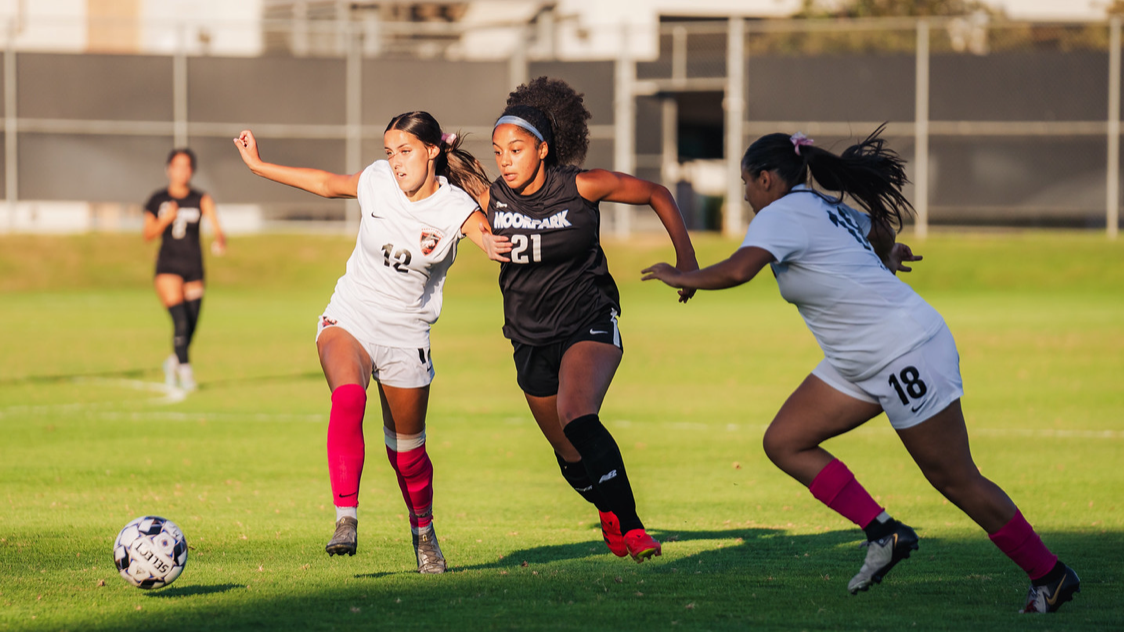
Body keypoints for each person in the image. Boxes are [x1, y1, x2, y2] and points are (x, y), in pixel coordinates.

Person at [641, 127, 1080, 612]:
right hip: (863, 357)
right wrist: (887, 255)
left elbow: (740, 269)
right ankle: (884, 533)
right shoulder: (821, 206)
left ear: (766, 178)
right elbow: (880, 229)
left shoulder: (781, 213)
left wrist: (681, 275)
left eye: (745, 182)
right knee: (786, 441)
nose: (744, 194)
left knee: (955, 479)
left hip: (903, 351)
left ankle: (1051, 574)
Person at [233, 112, 508, 574]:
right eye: (390, 153)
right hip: (352, 314)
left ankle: (424, 533)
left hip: (406, 334)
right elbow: (325, 183)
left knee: (408, 455)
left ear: (432, 151)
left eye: (405, 152)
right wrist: (260, 167)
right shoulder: (378, 180)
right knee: (347, 395)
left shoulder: (455, 206)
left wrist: (497, 245)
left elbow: (485, 234)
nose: (396, 163)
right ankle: (346, 517)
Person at [479, 77, 699, 563]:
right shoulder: (490, 196)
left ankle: (634, 528)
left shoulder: (581, 185)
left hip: (588, 319)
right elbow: (440, 177)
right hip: (528, 336)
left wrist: (687, 262)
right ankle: (609, 510)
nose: (506, 160)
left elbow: (657, 193)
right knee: (570, 457)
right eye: (498, 151)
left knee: (578, 416)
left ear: (542, 149)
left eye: (516, 149)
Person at [142, 148, 226, 392]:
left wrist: (220, 240)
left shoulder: (201, 198)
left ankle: (172, 361)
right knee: (179, 321)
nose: (182, 171)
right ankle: (186, 371)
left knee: (191, 325)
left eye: (187, 166)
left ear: (192, 170)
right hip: (168, 267)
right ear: (169, 169)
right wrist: (165, 221)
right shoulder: (157, 199)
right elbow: (148, 234)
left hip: (194, 268)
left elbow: (217, 228)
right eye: (177, 166)